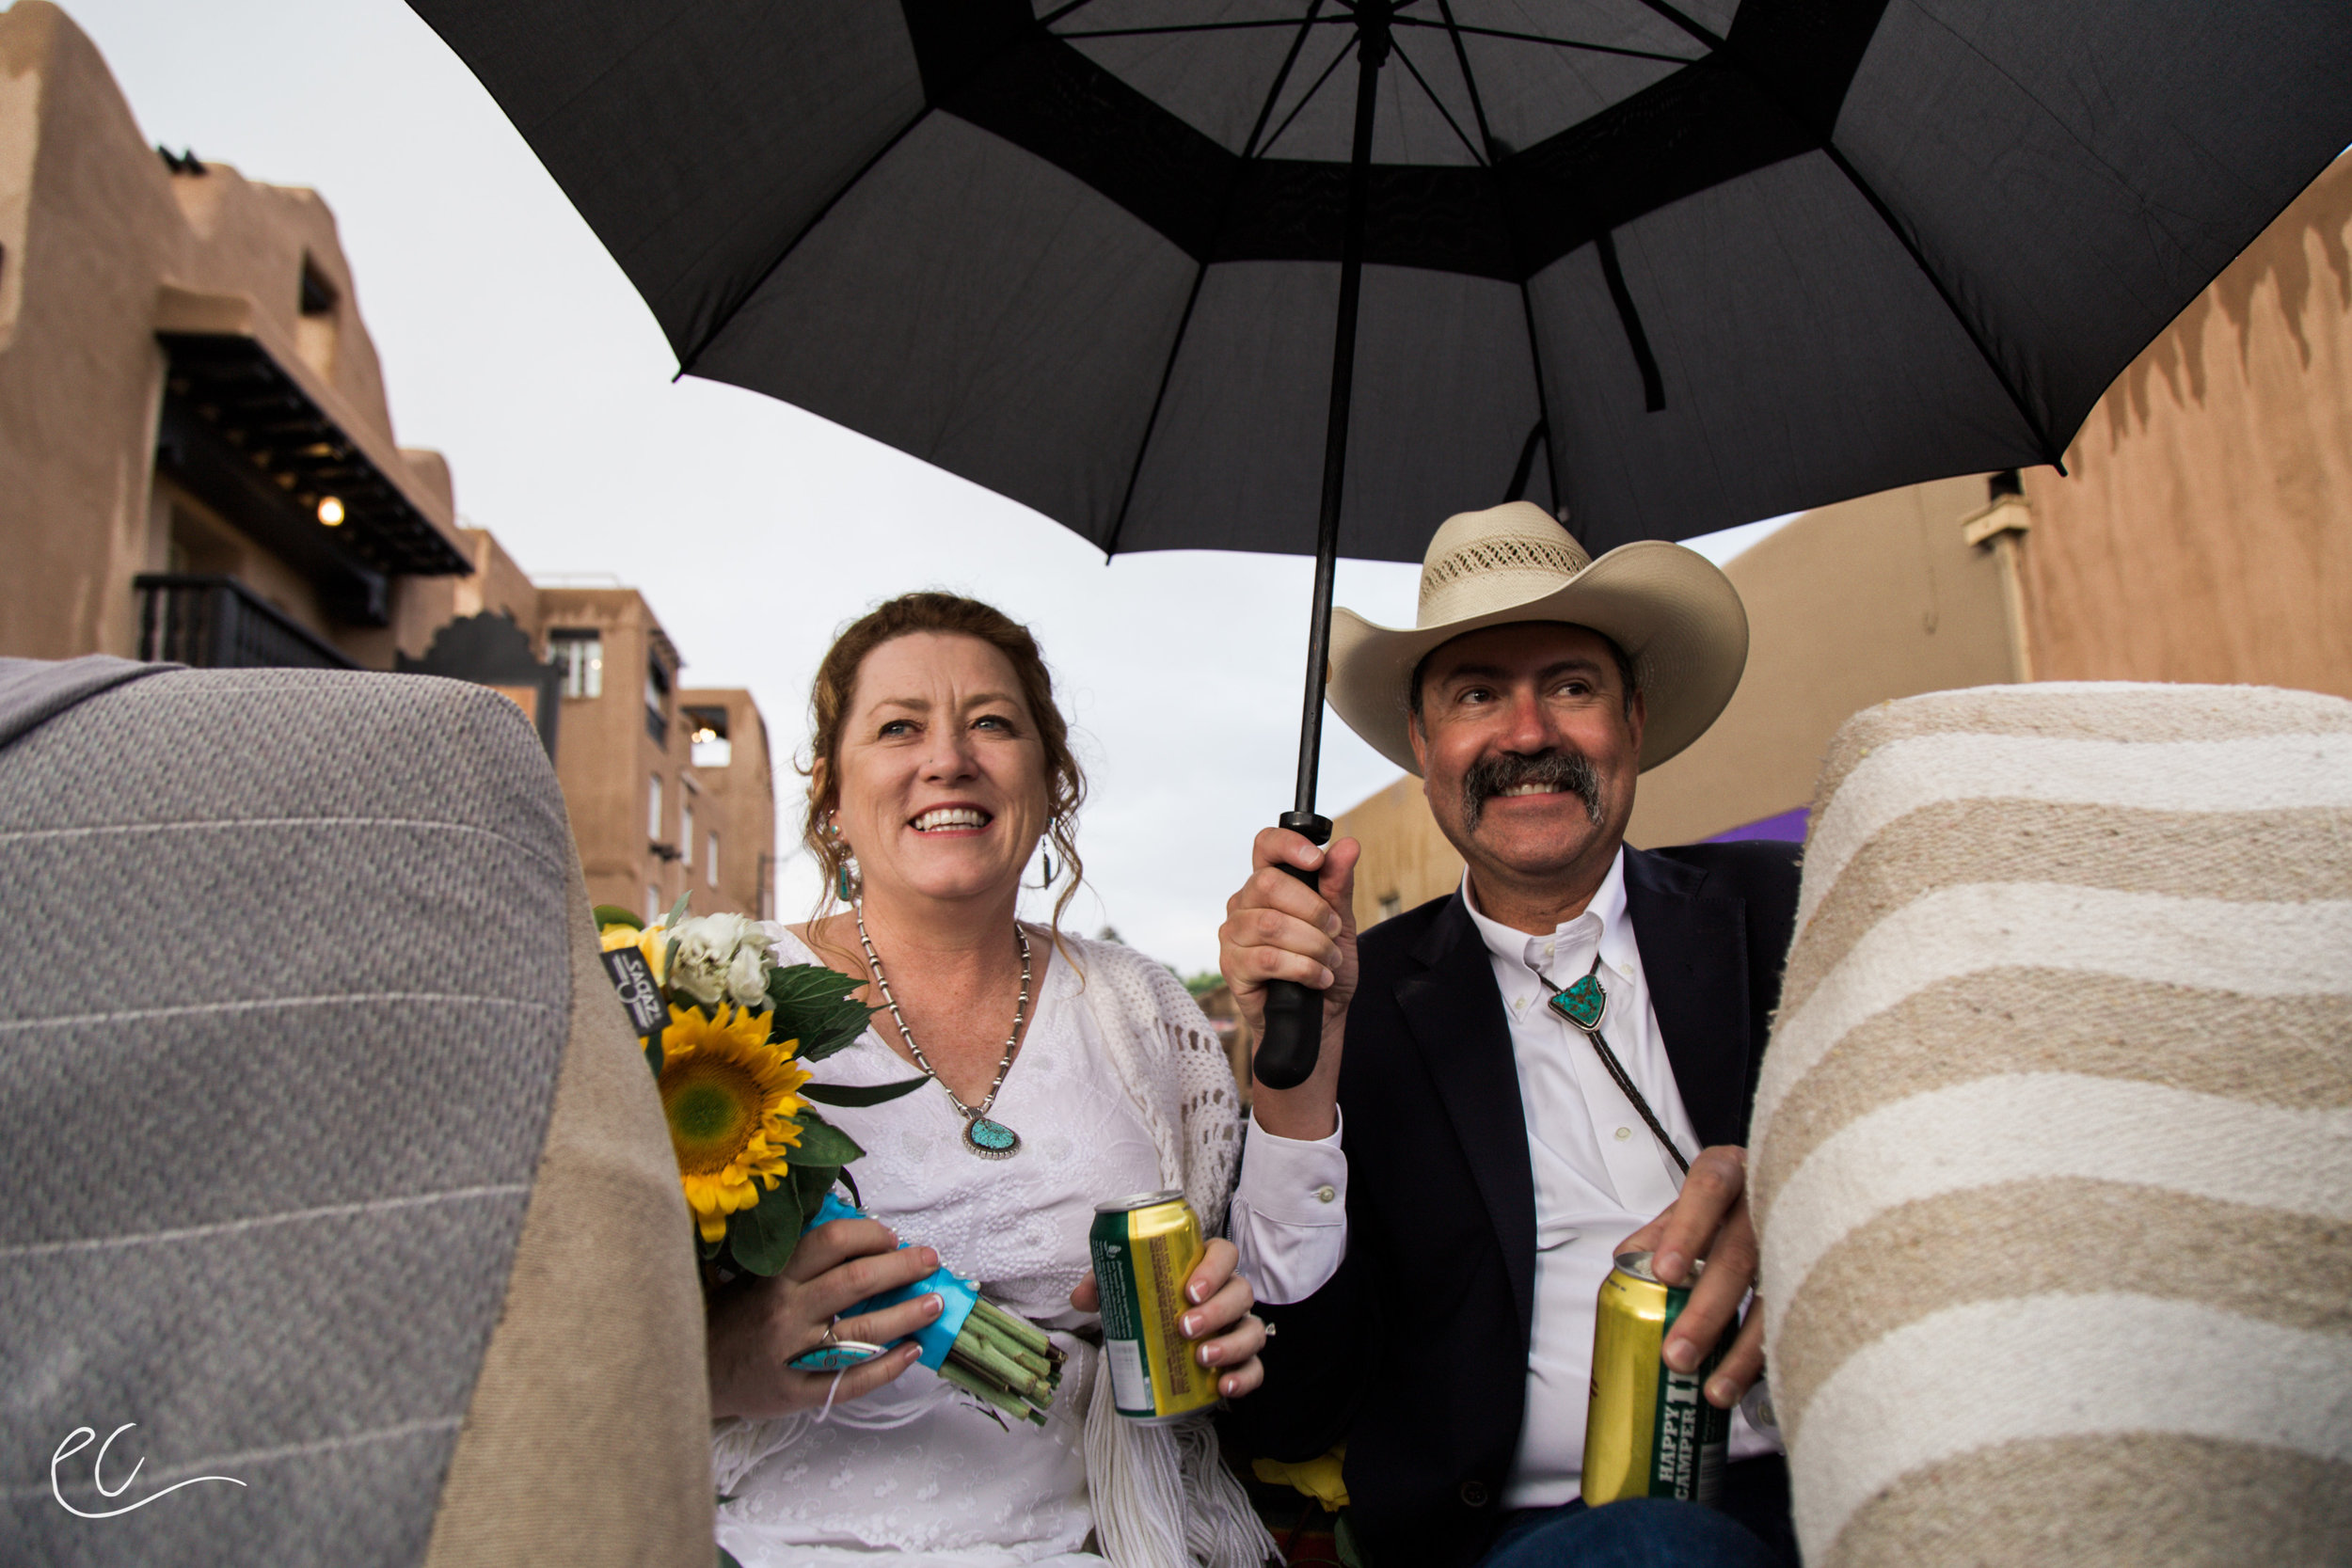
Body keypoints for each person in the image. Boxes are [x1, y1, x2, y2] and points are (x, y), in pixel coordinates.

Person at [1216, 503, 1803, 1568]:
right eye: (1477, 692)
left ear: (1632, 718)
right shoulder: (1358, 1001)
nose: (1526, 733)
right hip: (1532, 1534)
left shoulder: (1796, 911)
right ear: (1422, 744)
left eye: (1570, 686)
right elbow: (1291, 1413)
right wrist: (1296, 1083)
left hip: (1843, 1466)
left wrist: (1810, 1195)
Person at [707, 593, 1274, 1568]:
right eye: (897, 727)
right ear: (832, 797)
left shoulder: (1140, 1006)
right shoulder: (716, 999)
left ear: (1050, 783)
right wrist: (718, 1361)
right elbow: (561, 1328)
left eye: (992, 723)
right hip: (775, 1542)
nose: (948, 758)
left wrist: (1215, 1314)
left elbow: (1244, 1269)